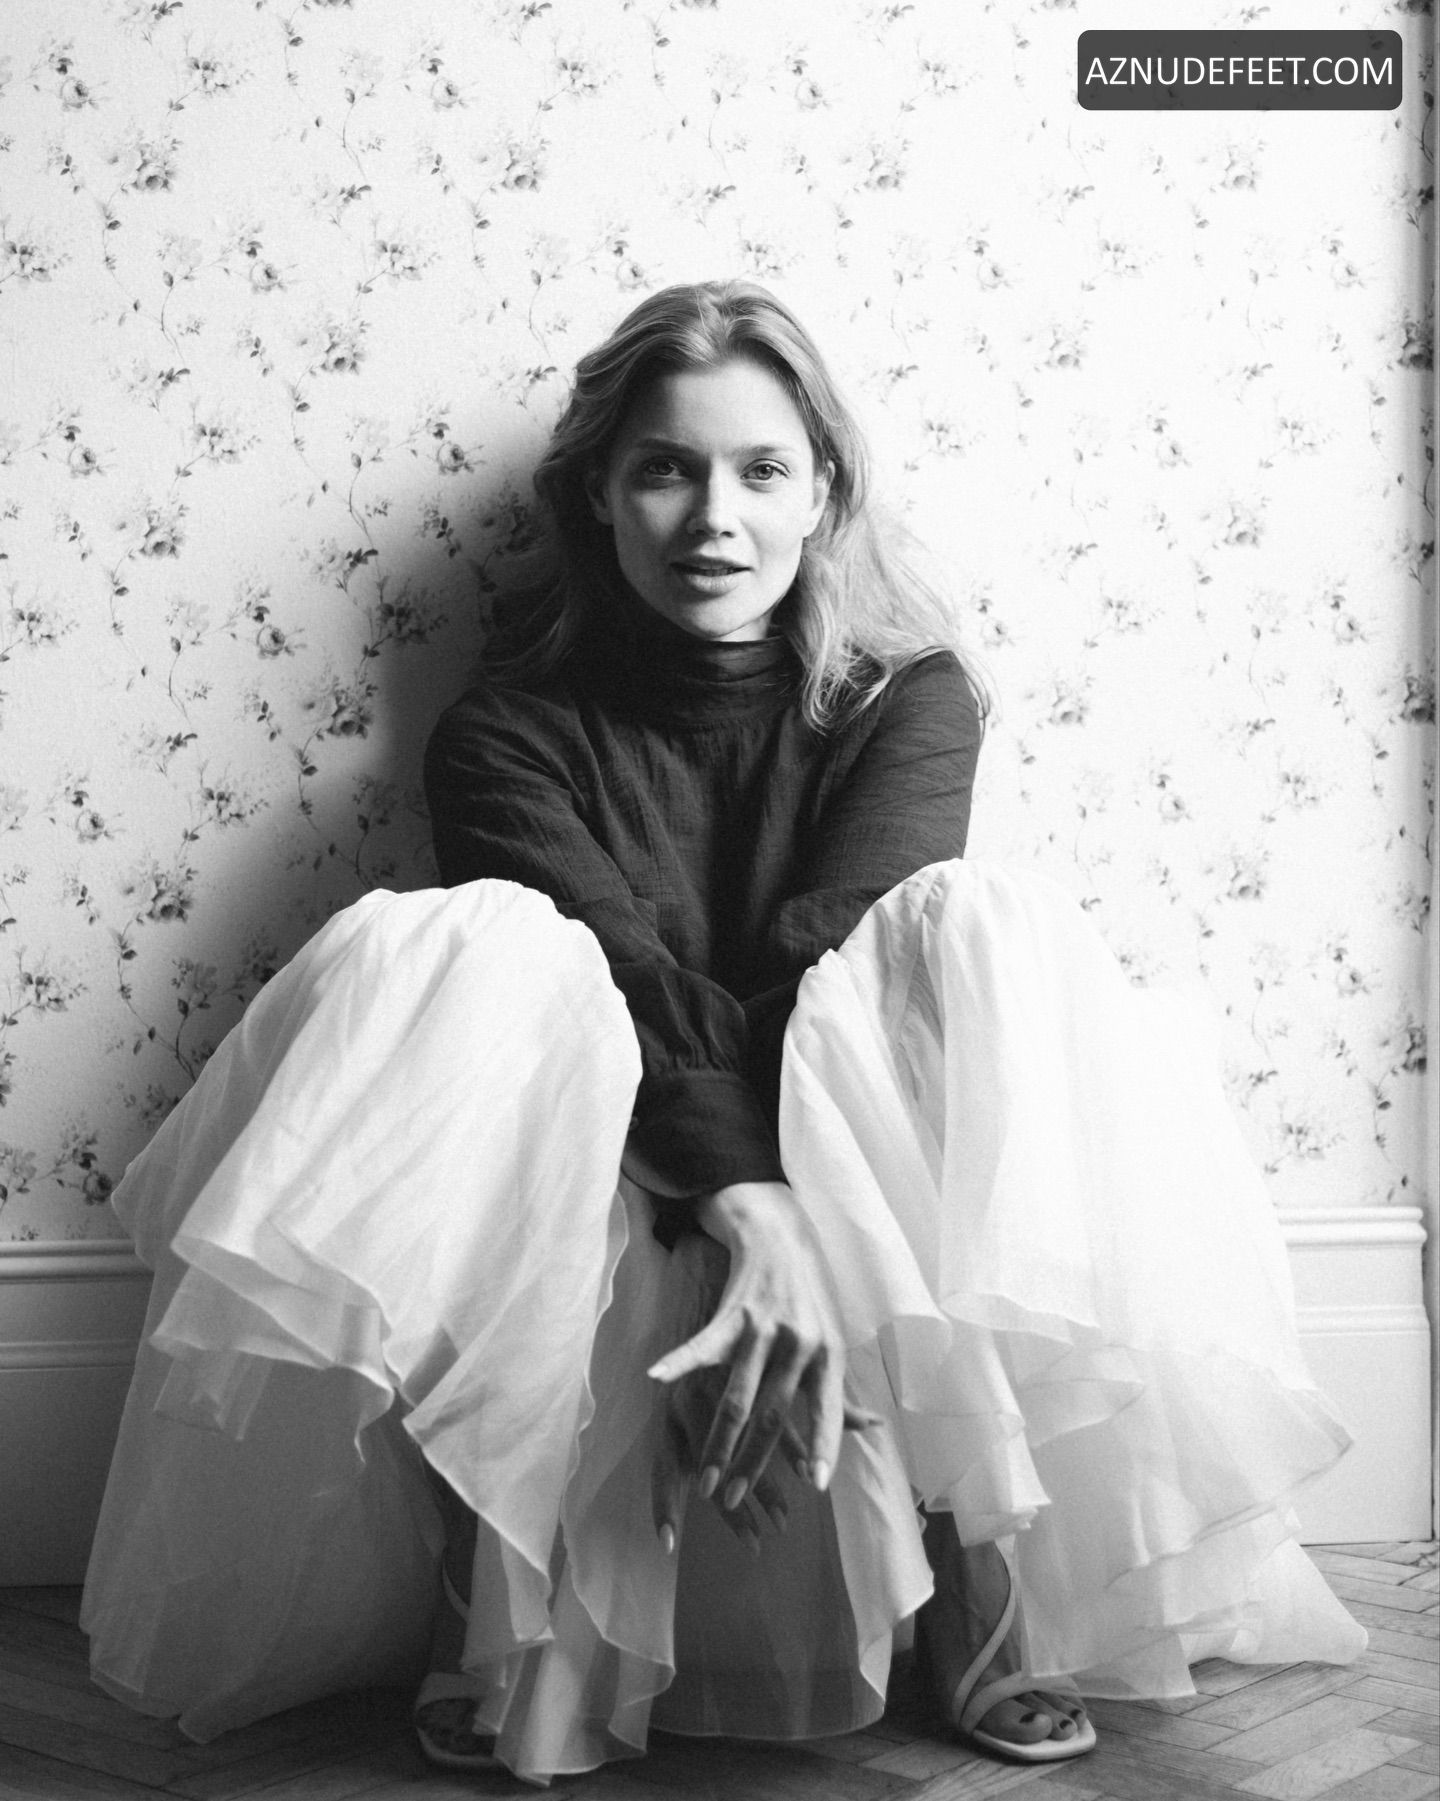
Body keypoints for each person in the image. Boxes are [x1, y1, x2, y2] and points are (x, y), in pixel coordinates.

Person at [82, 279, 1365, 1787]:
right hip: (610, 1144)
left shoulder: (910, 699)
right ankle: (494, 1584)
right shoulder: (502, 731)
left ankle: (980, 1558)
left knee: (965, 929)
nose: (714, 517)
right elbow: (622, 978)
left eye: (761, 469)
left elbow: (829, 958)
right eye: (665, 469)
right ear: (598, 494)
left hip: (848, 1138)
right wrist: (745, 1207)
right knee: (477, 949)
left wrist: (790, 1205)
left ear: (823, 492)